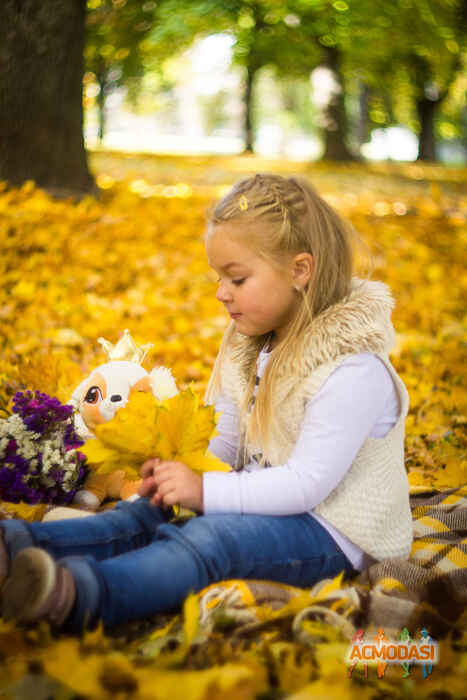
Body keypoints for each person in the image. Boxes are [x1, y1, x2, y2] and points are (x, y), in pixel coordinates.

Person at [0, 173, 413, 634]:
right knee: (149, 510)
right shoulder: (252, 340)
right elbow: (225, 442)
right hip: (259, 495)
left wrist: (205, 494)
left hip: (332, 530)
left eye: (236, 278)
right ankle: (19, 545)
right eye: (219, 277)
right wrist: (181, 477)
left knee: (212, 539)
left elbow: (306, 486)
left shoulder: (351, 369)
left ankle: (80, 595)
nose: (221, 292)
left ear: (300, 270)